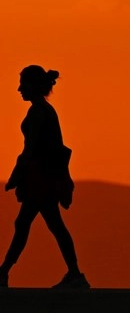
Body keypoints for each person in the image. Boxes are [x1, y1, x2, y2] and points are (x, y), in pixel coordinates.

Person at [0, 66, 87, 289]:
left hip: (42, 180)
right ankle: (74, 273)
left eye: (23, 84)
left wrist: (16, 175)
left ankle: (4, 272)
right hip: (43, 178)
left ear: (34, 85)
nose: (19, 89)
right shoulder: (43, 110)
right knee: (46, 224)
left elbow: (30, 148)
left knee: (34, 223)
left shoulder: (38, 112)